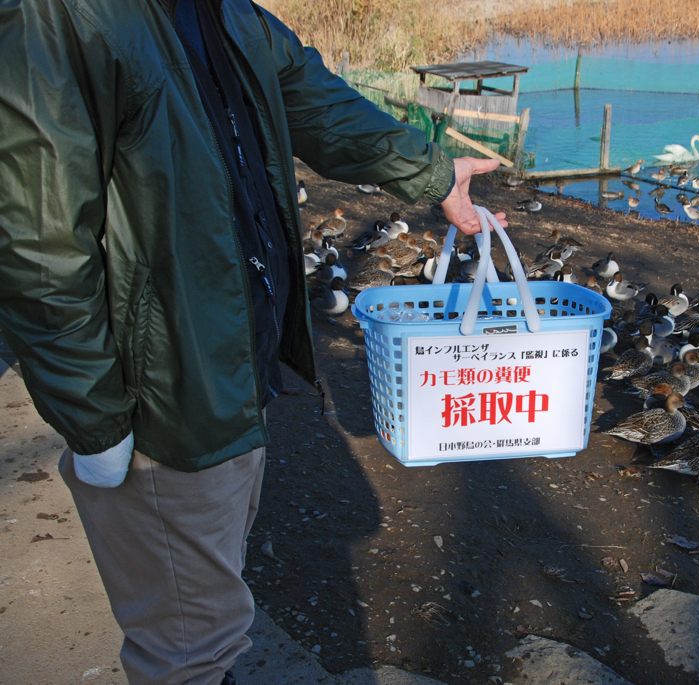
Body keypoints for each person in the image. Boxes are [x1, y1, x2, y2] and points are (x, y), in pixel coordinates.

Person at [0, 1, 506, 682]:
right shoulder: (57, 17)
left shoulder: (226, 12)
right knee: (189, 644)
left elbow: (316, 102)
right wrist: (94, 420)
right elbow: (37, 244)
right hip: (164, 396)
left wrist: (434, 172)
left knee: (210, 606)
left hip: (233, 365)